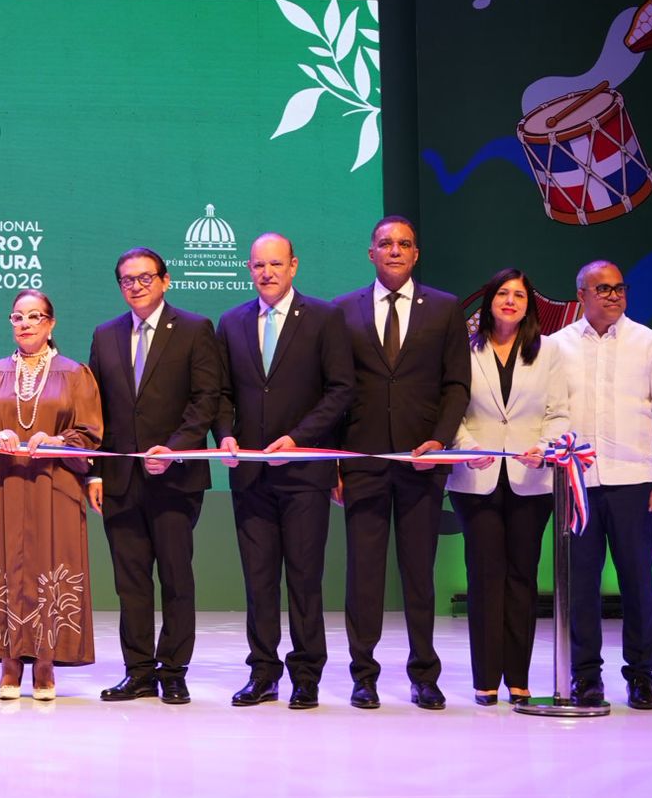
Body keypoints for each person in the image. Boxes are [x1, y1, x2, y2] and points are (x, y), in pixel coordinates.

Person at [334, 216, 470, 711]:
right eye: (385, 243)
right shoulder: (342, 310)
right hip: (362, 461)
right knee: (364, 576)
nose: (394, 250)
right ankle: (363, 676)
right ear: (371, 252)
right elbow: (334, 390)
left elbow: (457, 385)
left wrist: (440, 440)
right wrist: (335, 463)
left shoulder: (446, 308)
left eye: (404, 244)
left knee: (419, 574)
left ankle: (424, 675)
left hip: (421, 463)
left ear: (416, 254)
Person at [214, 233, 354, 710]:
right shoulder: (232, 321)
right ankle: (263, 673)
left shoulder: (324, 317)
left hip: (304, 473)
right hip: (250, 475)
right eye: (258, 265)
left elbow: (340, 389)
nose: (267, 272)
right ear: (249, 269)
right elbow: (222, 393)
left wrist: (298, 439)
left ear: (293, 266)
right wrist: (224, 435)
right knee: (258, 581)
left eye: (275, 264)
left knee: (304, 578)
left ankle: (307, 675)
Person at [549, 260, 652, 709]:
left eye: (619, 288)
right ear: (581, 295)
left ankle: (641, 676)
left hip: (634, 483)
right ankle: (586, 677)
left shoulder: (650, 343)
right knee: (580, 587)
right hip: (577, 484)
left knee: (637, 582)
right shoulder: (557, 346)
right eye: (602, 288)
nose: (613, 295)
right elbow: (548, 412)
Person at [87, 247, 221, 705]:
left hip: (175, 480)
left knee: (176, 579)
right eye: (127, 279)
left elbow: (206, 399)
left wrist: (177, 448)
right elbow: (95, 412)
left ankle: (174, 671)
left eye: (146, 277)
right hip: (120, 479)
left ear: (165, 280)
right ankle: (139, 671)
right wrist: (95, 474)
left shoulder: (195, 329)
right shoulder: (105, 335)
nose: (137, 286)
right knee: (131, 582)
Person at [0, 290, 102, 700]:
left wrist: (57, 440)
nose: (25, 324)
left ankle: (45, 662)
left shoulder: (74, 373)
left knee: (50, 562)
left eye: (35, 316)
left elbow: (90, 434)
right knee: (4, 564)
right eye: (18, 317)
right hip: (3, 486)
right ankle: (9, 662)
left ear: (51, 323)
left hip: (53, 486)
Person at [447, 269, 568, 706]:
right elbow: (451, 408)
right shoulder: (465, 347)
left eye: (519, 294)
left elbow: (559, 413)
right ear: (490, 300)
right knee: (484, 576)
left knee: (521, 576)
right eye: (503, 293)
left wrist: (545, 447)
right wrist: (466, 447)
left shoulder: (548, 351)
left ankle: (518, 678)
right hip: (475, 479)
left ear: (529, 305)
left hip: (529, 478)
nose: (511, 300)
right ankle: (485, 679)